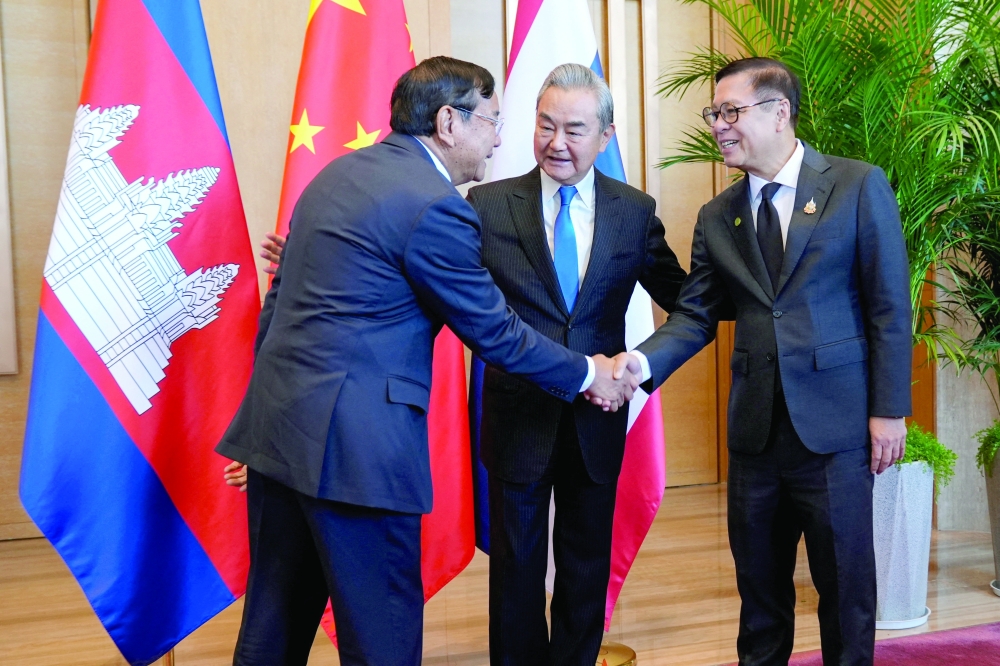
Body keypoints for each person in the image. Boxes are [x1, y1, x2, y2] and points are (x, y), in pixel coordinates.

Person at [216, 56, 638, 666]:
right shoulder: (435, 205)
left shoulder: (334, 176)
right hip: (356, 455)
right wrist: (587, 373)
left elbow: (278, 309)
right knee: (381, 637)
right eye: (492, 121)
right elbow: (494, 332)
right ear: (449, 121)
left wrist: (264, 417)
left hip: (279, 437)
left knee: (271, 631)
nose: (499, 139)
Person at [611, 57, 912, 665]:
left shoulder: (856, 185)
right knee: (761, 596)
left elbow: (889, 307)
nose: (719, 126)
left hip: (836, 432)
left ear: (779, 112)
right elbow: (696, 315)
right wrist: (639, 366)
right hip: (755, 437)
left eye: (731, 111)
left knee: (847, 592)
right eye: (713, 113)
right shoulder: (718, 215)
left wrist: (889, 411)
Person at [466, 63, 686, 666]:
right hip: (518, 416)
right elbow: (436, 277)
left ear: (606, 136)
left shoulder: (633, 211)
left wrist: (638, 366)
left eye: (575, 129)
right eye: (545, 126)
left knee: (586, 563)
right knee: (515, 568)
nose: (556, 143)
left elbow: (687, 300)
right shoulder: (487, 204)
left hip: (599, 415)